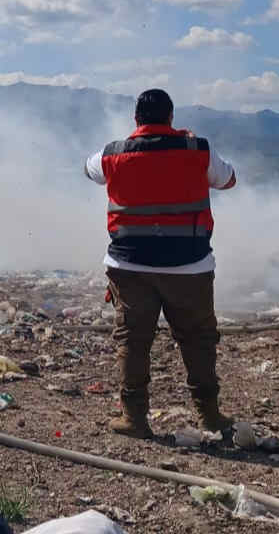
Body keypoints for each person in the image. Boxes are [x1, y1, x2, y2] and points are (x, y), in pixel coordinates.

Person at [84, 89, 237, 439]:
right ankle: (209, 417)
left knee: (133, 341)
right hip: (190, 267)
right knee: (198, 340)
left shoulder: (113, 153)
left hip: (128, 267)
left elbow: (88, 170)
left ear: (136, 121)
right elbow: (229, 180)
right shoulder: (198, 149)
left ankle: (134, 418)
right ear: (171, 118)